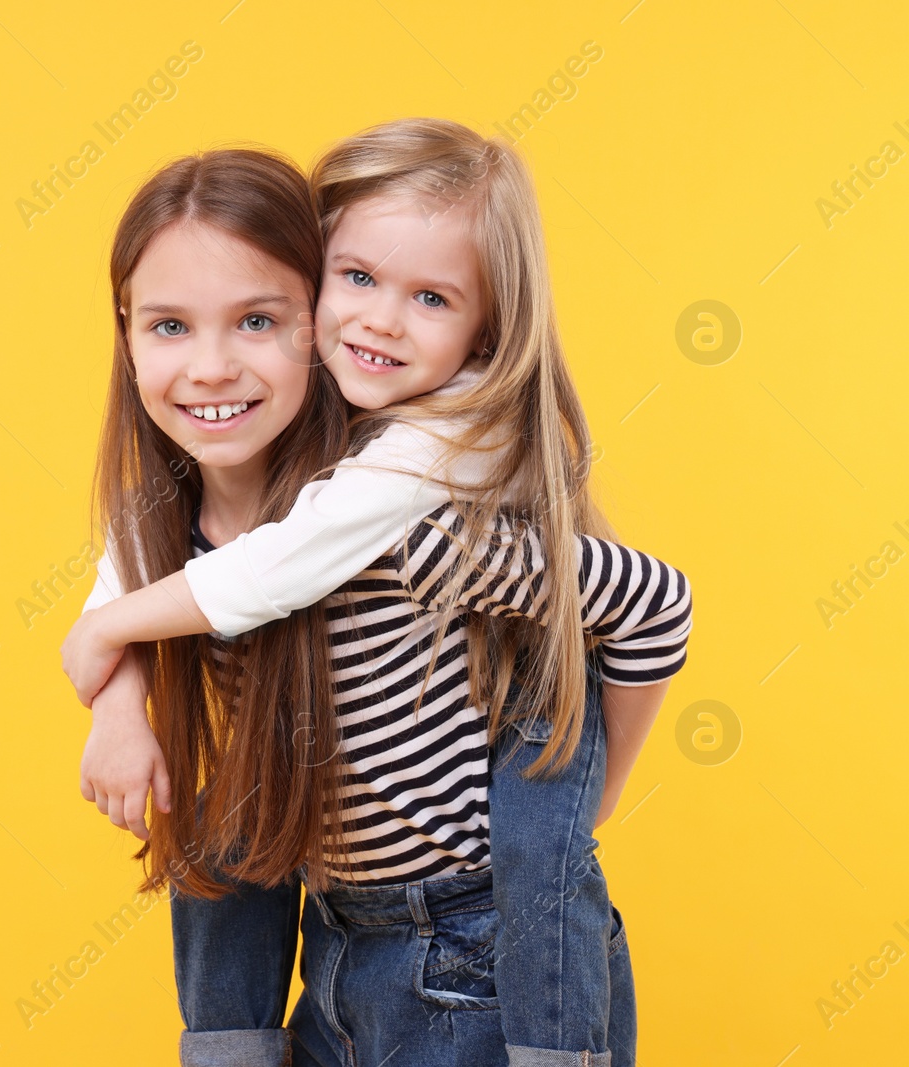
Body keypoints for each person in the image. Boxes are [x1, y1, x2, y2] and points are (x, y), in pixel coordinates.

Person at [71, 123, 691, 1066]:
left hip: (473, 954)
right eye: (169, 325)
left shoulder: (422, 515)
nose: (209, 367)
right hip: (335, 943)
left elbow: (653, 602)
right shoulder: (167, 507)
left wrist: (584, 813)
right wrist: (118, 706)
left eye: (257, 319)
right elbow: (121, 586)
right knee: (222, 826)